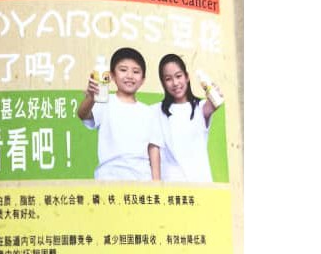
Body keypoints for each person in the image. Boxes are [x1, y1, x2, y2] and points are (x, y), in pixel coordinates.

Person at [77, 47, 161, 181]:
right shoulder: (104, 101)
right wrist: (91, 97)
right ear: (112, 75)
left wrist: (156, 184)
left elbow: (153, 149)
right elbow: (83, 114)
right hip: (108, 179)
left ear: (143, 80)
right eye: (123, 70)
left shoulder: (149, 112)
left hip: (141, 181)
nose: (129, 76)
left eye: (136, 71)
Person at [153, 53, 222, 182]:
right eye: (168, 79)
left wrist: (214, 92)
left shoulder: (201, 107)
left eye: (178, 76)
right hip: (172, 186)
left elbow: (216, 102)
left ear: (187, 77)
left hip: (201, 184)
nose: (175, 83)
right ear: (163, 83)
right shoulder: (156, 110)